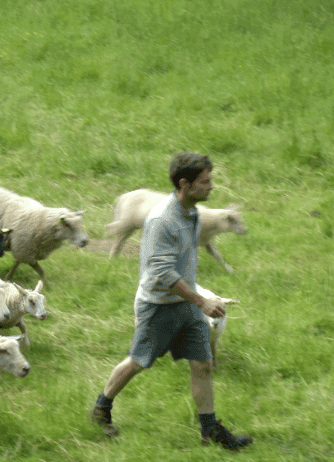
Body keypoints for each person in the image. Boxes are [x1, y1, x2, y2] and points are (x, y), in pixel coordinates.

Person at [90, 152, 253, 451]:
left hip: (187, 304)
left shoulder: (192, 214)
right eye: (205, 182)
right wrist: (201, 300)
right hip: (158, 306)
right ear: (184, 184)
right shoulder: (163, 220)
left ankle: (210, 431)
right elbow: (161, 273)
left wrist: (195, 300)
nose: (211, 187)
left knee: (202, 364)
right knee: (138, 362)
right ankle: (102, 407)